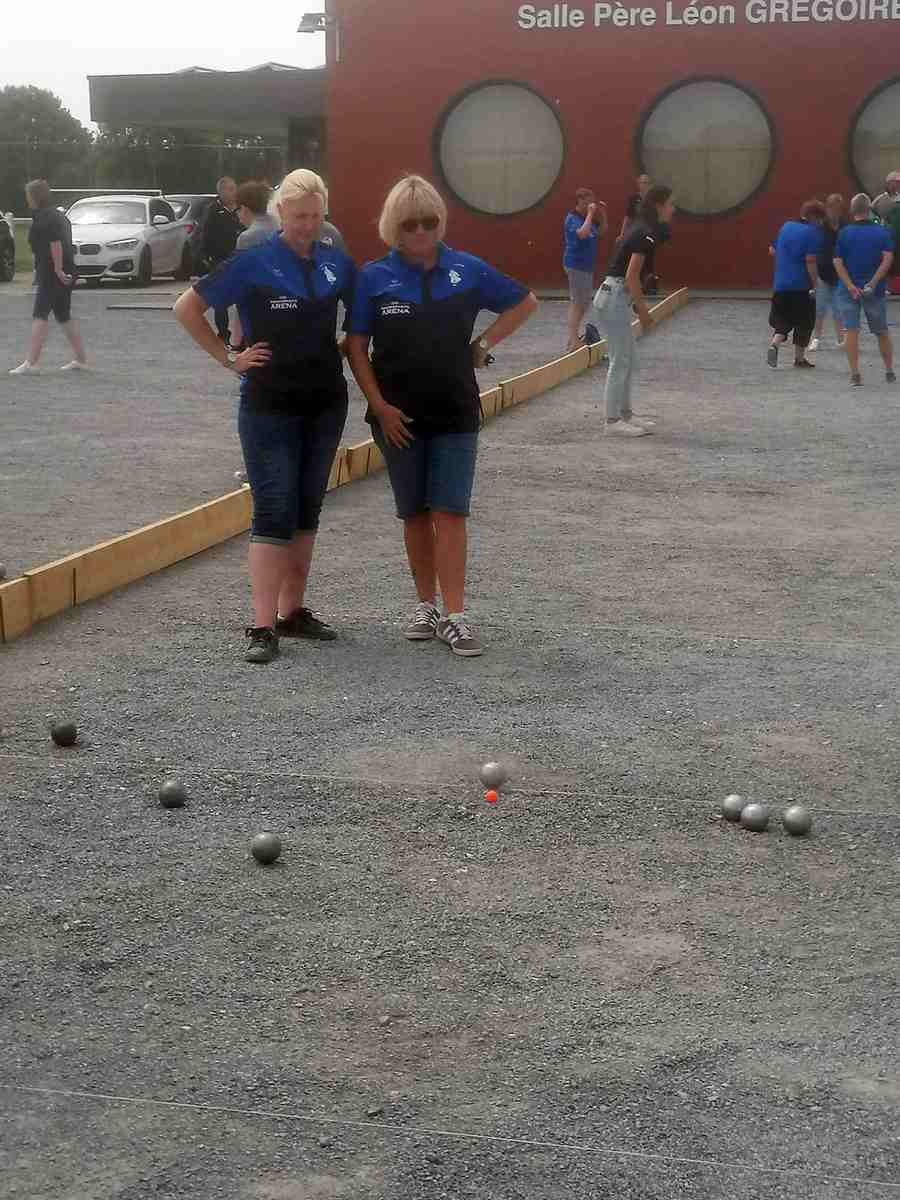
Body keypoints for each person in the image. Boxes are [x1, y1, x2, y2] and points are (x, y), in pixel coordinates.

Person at [346, 175, 537, 658]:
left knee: (450, 512)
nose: (420, 232)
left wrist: (483, 344)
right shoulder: (372, 278)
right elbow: (356, 347)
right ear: (393, 226)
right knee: (414, 514)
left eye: (429, 222)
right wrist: (380, 407)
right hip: (397, 418)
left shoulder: (466, 269)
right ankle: (424, 606)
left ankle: (455, 615)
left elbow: (524, 302)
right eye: (409, 224)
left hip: (455, 410)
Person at [174, 169, 356, 663]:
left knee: (307, 507)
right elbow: (186, 308)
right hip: (269, 404)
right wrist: (228, 358)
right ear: (280, 214)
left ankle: (291, 612)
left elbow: (363, 317)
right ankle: (261, 625)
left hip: (325, 402)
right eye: (299, 217)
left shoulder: (336, 262)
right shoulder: (253, 260)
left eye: (316, 217)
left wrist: (351, 346)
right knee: (274, 506)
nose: (308, 226)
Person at [588, 184, 675, 437]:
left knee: (627, 358)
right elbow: (631, 276)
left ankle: (625, 414)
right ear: (659, 205)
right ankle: (612, 420)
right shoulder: (646, 234)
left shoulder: (641, 228)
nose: (673, 209)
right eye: (670, 204)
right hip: (614, 297)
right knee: (620, 360)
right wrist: (644, 313)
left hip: (614, 297)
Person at [10, 179, 88, 376]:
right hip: (63, 270)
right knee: (63, 315)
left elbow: (56, 244)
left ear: (34, 197)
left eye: (28, 195)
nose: (27, 199)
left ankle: (32, 363)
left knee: (40, 314)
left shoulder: (45, 218)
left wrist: (59, 270)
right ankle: (80, 359)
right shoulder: (58, 215)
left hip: (53, 272)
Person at [833, 193, 895, 388]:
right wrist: (873, 282)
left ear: (852, 210)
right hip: (874, 291)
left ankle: (855, 374)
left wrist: (849, 285)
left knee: (851, 331)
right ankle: (889, 370)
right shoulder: (882, 232)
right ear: (869, 210)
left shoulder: (844, 233)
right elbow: (887, 259)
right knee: (881, 331)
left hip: (848, 290)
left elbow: (837, 262)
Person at [767, 200, 826, 370]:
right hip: (801, 286)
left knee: (783, 319)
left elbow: (772, 250)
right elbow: (810, 260)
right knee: (805, 322)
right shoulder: (812, 232)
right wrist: (815, 283)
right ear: (814, 217)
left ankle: (775, 343)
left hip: (780, 284)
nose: (821, 223)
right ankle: (799, 359)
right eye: (820, 219)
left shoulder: (786, 226)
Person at [563, 188, 607, 353]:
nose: (591, 204)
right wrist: (590, 214)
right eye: (588, 201)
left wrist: (602, 214)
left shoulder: (588, 218)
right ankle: (573, 341)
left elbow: (601, 231)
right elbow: (582, 234)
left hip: (586, 266)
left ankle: (572, 338)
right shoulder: (572, 218)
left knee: (584, 303)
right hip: (575, 265)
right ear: (580, 200)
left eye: (592, 201)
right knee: (577, 303)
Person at [200, 176, 242, 345]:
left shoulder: (242, 209)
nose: (233, 192)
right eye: (229, 189)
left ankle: (242, 334)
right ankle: (223, 333)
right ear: (221, 191)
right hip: (220, 261)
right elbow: (205, 235)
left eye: (234, 188)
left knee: (243, 297)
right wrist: (207, 258)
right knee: (221, 301)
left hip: (240, 259)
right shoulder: (212, 210)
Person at [809, 194, 846, 353]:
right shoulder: (820, 227)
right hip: (823, 273)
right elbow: (814, 250)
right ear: (828, 209)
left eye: (838, 209)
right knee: (820, 309)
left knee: (839, 309)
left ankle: (841, 340)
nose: (835, 212)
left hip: (840, 274)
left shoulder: (845, 226)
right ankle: (816, 339)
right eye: (833, 209)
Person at [235, 181, 277, 250]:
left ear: (243, 209)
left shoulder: (246, 238)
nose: (237, 215)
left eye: (237, 210)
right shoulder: (279, 224)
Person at [620, 173, 651, 239]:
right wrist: (622, 234)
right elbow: (627, 217)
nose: (645, 185)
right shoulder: (633, 198)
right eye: (643, 182)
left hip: (648, 234)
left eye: (647, 183)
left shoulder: (652, 199)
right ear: (639, 184)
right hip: (635, 232)